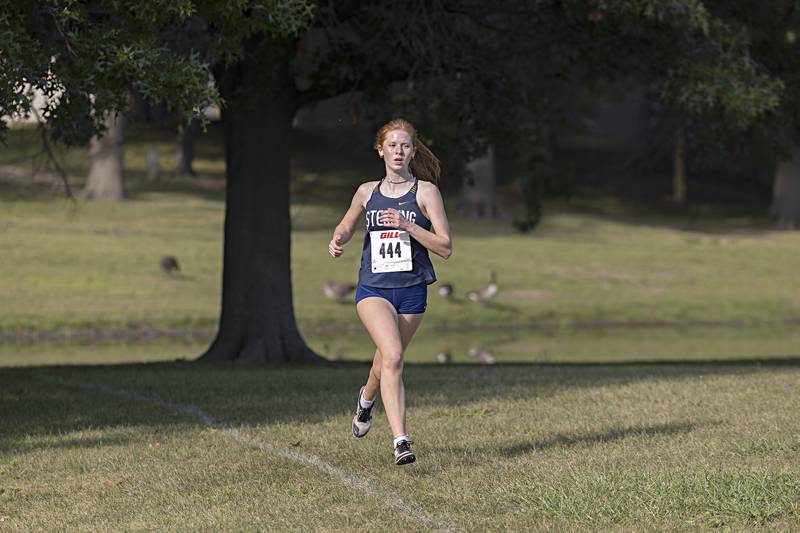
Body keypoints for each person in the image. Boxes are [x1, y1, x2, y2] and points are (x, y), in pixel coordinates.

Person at [328, 118, 453, 465]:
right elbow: (347, 224)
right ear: (380, 150)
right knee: (394, 355)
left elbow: (445, 247)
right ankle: (401, 441)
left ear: (413, 151)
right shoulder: (367, 191)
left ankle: (365, 402)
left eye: (406, 145)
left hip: (412, 290)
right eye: (392, 145)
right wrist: (339, 238)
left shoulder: (426, 192)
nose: (399, 151)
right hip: (374, 289)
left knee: (386, 358)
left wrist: (408, 225)